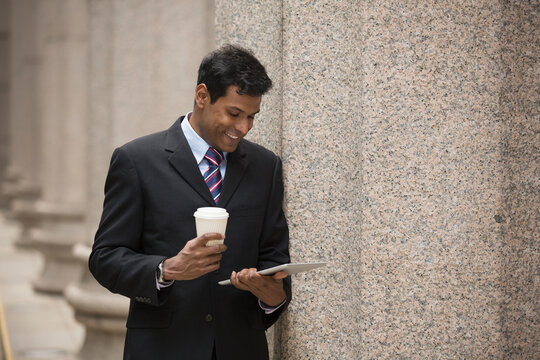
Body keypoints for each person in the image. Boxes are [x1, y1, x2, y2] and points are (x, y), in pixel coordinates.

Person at [89, 44, 291, 360]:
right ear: (202, 96)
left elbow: (274, 259)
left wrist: (272, 295)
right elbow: (104, 258)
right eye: (234, 114)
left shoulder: (267, 168)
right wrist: (166, 269)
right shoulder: (136, 161)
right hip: (162, 350)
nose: (243, 128)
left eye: (252, 117)